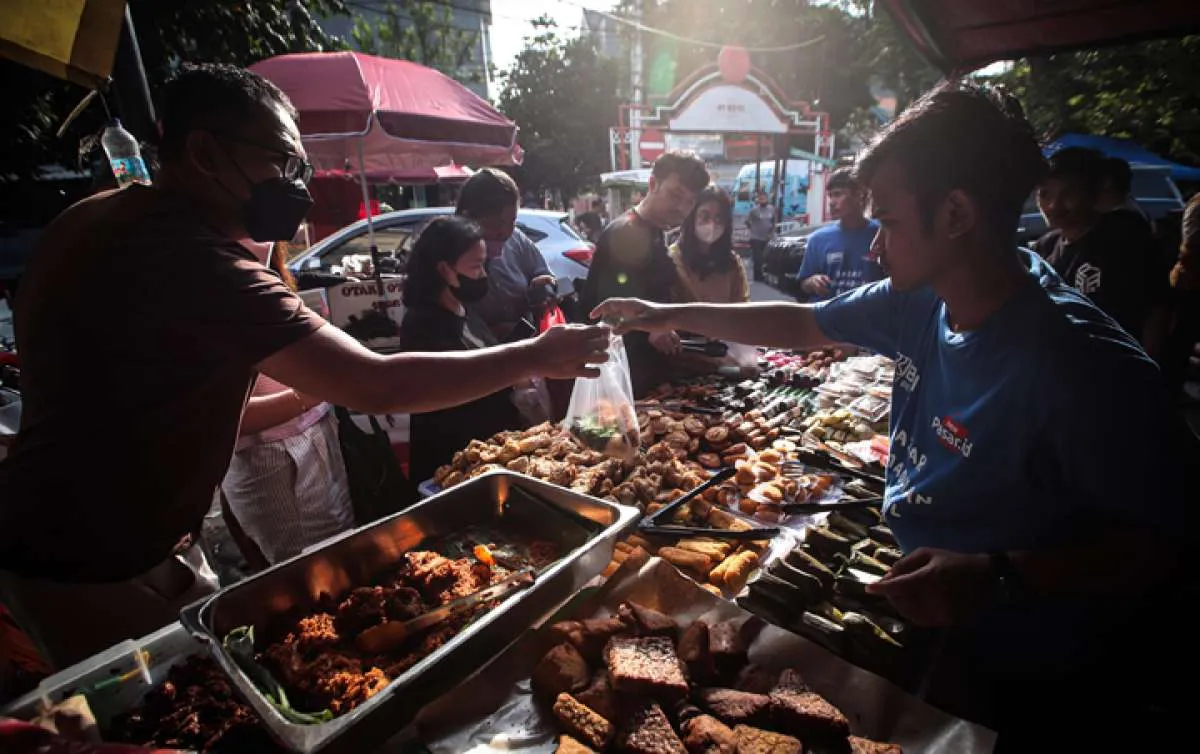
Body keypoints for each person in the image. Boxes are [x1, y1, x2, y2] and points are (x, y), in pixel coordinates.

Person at [593, 82, 1190, 750]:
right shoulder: (921, 298)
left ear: (957, 213)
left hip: (1033, 673)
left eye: (889, 222)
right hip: (926, 632)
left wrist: (999, 572)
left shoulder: (1083, 365)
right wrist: (665, 313)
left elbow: (1166, 543)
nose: (875, 248)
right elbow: (800, 321)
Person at [0, 63, 609, 670]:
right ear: (206, 153)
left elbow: (183, 396)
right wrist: (538, 354)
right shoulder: (194, 261)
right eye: (281, 162)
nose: (296, 184)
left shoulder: (98, 217)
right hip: (91, 564)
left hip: (117, 546)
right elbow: (374, 383)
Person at [219, 244, 354, 567]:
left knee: (341, 555)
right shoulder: (209, 290)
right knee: (304, 573)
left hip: (318, 434)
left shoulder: (266, 273)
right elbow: (227, 415)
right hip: (271, 458)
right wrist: (311, 393)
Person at [398, 216, 524, 485]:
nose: (484, 275)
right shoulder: (423, 325)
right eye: (477, 266)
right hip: (452, 467)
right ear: (445, 270)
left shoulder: (463, 308)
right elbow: (453, 387)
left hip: (489, 459)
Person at [579, 151, 709, 394]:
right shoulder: (626, 233)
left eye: (690, 202)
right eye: (675, 195)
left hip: (645, 372)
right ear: (653, 184)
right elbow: (605, 309)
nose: (681, 208)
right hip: (621, 374)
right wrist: (651, 327)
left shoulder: (654, 231)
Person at [1036, 148, 1166, 353]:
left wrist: (1148, 367)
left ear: (1093, 193)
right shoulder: (1045, 247)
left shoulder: (1125, 235)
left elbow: (1157, 309)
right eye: (1044, 194)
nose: (1053, 205)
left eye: (1068, 193)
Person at [455, 168, 555, 339]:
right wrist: (487, 333)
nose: (506, 232)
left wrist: (544, 287)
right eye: (497, 224)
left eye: (512, 222)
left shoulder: (517, 240)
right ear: (468, 218)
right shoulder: (450, 254)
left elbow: (543, 274)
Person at [797, 168, 884, 301]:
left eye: (838, 195)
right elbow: (803, 283)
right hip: (827, 318)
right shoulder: (818, 240)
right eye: (830, 196)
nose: (831, 202)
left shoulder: (881, 234)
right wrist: (812, 282)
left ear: (859, 195)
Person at [669, 186, 749, 305]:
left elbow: (743, 307)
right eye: (704, 216)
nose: (712, 224)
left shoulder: (732, 263)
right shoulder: (673, 260)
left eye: (718, 218)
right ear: (692, 217)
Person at [744, 190, 775, 281]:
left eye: (764, 198)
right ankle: (758, 276)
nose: (762, 200)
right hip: (755, 237)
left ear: (767, 199)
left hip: (766, 237)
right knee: (758, 258)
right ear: (758, 200)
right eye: (760, 199)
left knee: (765, 257)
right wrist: (752, 229)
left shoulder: (771, 209)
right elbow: (747, 221)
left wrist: (771, 232)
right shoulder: (754, 210)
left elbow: (773, 221)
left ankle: (761, 274)